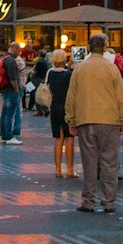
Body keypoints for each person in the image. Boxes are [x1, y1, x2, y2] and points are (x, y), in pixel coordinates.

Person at [65, 34, 123, 214]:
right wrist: (122, 119)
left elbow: (72, 96)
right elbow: (120, 96)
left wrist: (71, 119)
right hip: (110, 120)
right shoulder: (112, 68)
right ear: (106, 46)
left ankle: (88, 201)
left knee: (89, 162)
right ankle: (109, 202)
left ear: (88, 47)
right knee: (110, 162)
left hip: (86, 119)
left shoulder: (80, 68)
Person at [46, 48, 75, 179]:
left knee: (58, 138)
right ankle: (70, 169)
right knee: (70, 138)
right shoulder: (69, 74)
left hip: (54, 106)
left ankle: (57, 169)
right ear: (65, 59)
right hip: (67, 107)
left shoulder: (50, 73)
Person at [0, 42, 23, 145]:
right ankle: (9, 137)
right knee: (10, 114)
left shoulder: (4, 58)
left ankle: (4, 135)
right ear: (15, 48)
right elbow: (13, 78)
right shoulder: (11, 61)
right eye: (19, 50)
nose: (19, 53)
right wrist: (17, 89)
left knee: (4, 113)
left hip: (4, 89)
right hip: (11, 90)